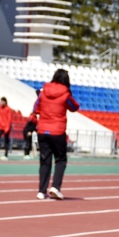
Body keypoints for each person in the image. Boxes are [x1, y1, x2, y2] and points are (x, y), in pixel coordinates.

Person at [34, 69, 80, 199]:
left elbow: (35, 109)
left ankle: (41, 191)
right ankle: (55, 187)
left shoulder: (43, 92)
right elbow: (75, 107)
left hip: (42, 130)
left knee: (45, 161)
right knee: (60, 159)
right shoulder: (65, 94)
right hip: (57, 130)